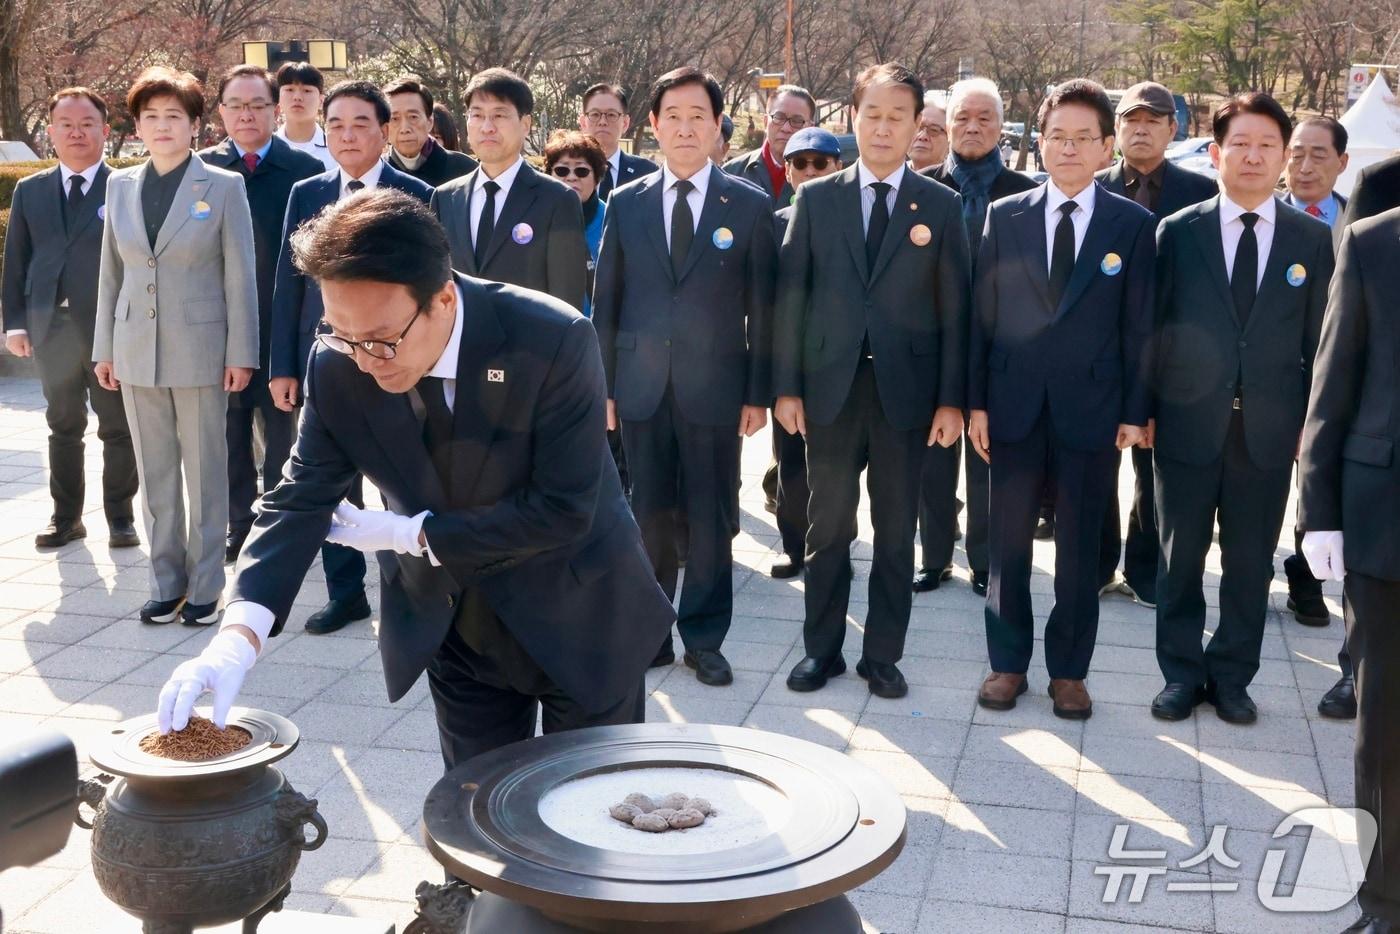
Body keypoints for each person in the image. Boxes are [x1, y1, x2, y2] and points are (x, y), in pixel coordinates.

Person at [153, 189, 675, 773]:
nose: (365, 359)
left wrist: (414, 535)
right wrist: (237, 637)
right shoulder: (339, 362)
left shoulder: (551, 339)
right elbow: (300, 496)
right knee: (476, 819)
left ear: (443, 298)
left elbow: (563, 508)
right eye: (341, 333)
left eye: (381, 339)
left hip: (580, 614)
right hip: (455, 627)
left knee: (588, 813)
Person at [775, 63, 969, 700]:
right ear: (851, 119)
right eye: (872, 115)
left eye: (897, 117)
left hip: (905, 397)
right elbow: (792, 300)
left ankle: (882, 655)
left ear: (917, 125)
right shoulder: (818, 197)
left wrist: (950, 400)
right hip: (829, 392)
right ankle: (820, 651)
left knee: (894, 531)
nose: (883, 128)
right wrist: (788, 387)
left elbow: (954, 312)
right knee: (827, 527)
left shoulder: (940, 205)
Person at [969, 79, 1154, 720]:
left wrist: (1135, 410)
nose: (1068, 149)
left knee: (1080, 549)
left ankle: (1070, 671)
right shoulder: (1007, 215)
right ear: (1038, 144)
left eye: (1083, 138)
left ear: (1106, 147)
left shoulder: (1131, 225)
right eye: (1056, 137)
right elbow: (981, 318)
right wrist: (976, 403)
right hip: (1012, 402)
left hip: (1092, 409)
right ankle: (1007, 663)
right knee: (1007, 543)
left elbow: (1139, 327)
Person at [1150, 93, 1334, 724]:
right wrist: (1144, 410)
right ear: (1216, 152)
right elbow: (1154, 330)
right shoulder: (1179, 231)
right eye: (1242, 144)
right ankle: (1179, 674)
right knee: (1180, 556)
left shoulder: (1312, 239)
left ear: (1283, 157)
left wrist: (1311, 426)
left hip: (1269, 429)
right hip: (1185, 425)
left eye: (1268, 146)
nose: (1254, 156)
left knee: (1250, 560)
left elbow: (1320, 345)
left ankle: (1232, 676)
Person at [593, 67, 778, 687]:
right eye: (672, 115)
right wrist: (607, 388)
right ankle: (650, 634)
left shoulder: (749, 205)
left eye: (698, 115)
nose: (685, 127)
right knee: (648, 515)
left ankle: (704, 638)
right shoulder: (627, 201)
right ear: (652, 124)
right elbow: (608, 302)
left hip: (716, 391)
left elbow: (765, 309)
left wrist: (758, 394)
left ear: (718, 124)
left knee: (709, 516)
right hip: (641, 388)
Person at [91, 66, 258, 626]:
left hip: (202, 350)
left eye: (174, 117)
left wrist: (243, 352)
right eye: (150, 117)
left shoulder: (224, 185)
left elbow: (240, 275)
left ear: (194, 125)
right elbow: (110, 275)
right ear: (136, 126)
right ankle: (167, 582)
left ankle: (208, 584)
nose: (161, 127)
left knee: (206, 471)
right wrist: (104, 348)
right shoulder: (119, 186)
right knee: (155, 471)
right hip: (135, 347)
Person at [268, 79, 433, 635]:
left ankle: (408, 587)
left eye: (360, 123)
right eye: (335, 124)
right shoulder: (307, 192)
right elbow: (288, 287)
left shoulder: (415, 194)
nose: (346, 135)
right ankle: (346, 594)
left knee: (397, 479)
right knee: (331, 487)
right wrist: (284, 366)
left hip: (393, 358)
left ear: (385, 132)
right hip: (327, 360)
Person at [1298, 204, 1400, 934]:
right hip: (1386, 521)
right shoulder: (1374, 240)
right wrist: (1319, 511)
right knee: (1387, 727)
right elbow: (1333, 387)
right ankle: (1386, 902)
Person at [1093, 81, 1218, 607]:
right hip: (1097, 354)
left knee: (1152, 470)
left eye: (1154, 120)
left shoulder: (1202, 193)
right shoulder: (1090, 186)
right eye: (1131, 120)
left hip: (1168, 355)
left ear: (1174, 129)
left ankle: (1146, 570)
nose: (1141, 129)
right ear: (1116, 130)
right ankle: (1097, 564)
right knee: (1094, 466)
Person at [2, 88, 139, 552]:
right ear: (52, 133)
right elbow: (16, 260)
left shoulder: (127, 187)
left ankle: (121, 518)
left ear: (105, 130)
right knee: (63, 424)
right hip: (51, 329)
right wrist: (15, 324)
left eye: (86, 123)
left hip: (108, 330)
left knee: (117, 427)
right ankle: (66, 518)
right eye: (65, 124)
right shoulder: (31, 189)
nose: (76, 132)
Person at [199, 65, 325, 565]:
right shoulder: (200, 170)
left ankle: (278, 521)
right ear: (221, 111)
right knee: (229, 433)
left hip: (282, 325)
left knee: (282, 434)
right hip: (218, 325)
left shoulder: (305, 172)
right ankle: (239, 521)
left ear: (276, 110)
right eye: (235, 104)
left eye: (257, 104)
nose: (246, 114)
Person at [918, 77, 1036, 596]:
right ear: (946, 124)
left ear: (1001, 126)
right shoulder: (920, 188)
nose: (972, 126)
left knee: (991, 455)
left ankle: (987, 558)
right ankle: (934, 555)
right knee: (932, 453)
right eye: (962, 116)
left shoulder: (1028, 195)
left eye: (984, 117)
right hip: (933, 341)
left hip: (1001, 345)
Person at [1279, 115, 1358, 721]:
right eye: (1297, 154)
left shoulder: (1362, 223)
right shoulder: (1264, 218)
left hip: (1341, 385)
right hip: (1273, 383)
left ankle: (1308, 576)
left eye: (1318, 156)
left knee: (1322, 486)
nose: (1305, 167)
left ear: (1341, 164)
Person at [430, 68, 588, 310]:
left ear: (525, 124)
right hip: (460, 344)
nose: (487, 127)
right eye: (477, 115)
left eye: (499, 115)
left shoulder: (556, 199)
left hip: (529, 345)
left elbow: (566, 300)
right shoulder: (444, 198)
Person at [768, 126, 844, 579]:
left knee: (837, 469)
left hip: (840, 362)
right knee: (791, 463)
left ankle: (833, 547)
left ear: (838, 167)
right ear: (788, 170)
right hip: (792, 363)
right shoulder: (773, 223)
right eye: (801, 163)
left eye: (821, 163)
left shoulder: (852, 220)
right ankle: (794, 547)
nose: (810, 171)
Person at [543, 130, 607, 317]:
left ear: (597, 177)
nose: (571, 177)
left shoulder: (613, 218)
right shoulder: (534, 219)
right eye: (562, 170)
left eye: (581, 170)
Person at [723, 84, 816, 205]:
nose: (786, 128)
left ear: (811, 127)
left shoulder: (820, 176)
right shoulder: (732, 173)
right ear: (765, 121)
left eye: (797, 121)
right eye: (779, 117)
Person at [383, 75, 477, 187]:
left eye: (413, 117)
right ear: (385, 127)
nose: (405, 129)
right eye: (394, 119)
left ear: (430, 122)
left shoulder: (465, 169)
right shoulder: (377, 173)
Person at [579, 83, 659, 200]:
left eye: (611, 115)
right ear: (583, 122)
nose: (603, 122)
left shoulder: (648, 173)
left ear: (625, 123)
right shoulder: (565, 172)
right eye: (595, 114)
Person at [274, 62, 336, 171]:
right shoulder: (265, 150)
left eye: (307, 90)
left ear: (321, 100)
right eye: (289, 90)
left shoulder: (336, 149)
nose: (297, 97)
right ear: (278, 98)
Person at [907, 91, 948, 171]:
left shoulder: (955, 182)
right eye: (918, 127)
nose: (922, 137)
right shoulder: (888, 175)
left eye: (934, 130)